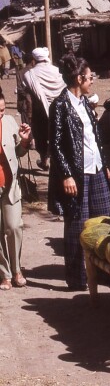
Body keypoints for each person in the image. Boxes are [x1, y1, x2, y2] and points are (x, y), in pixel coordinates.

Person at [48, 54, 110, 291]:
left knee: (104, 219)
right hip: (76, 174)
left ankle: (105, 271)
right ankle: (77, 278)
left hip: (95, 170)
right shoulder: (60, 106)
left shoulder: (85, 103)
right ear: (78, 78)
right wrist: (66, 174)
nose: (92, 80)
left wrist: (104, 164)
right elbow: (54, 145)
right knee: (77, 224)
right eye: (89, 77)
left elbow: (95, 139)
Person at [0, 93, 32, 290]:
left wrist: (25, 141)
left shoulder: (10, 122)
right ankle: (4, 273)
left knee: (13, 227)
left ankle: (17, 269)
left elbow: (19, 152)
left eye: (2, 110)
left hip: (10, 186)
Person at [22, 47, 66, 170]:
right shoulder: (58, 71)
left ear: (34, 59)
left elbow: (29, 95)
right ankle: (57, 162)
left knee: (41, 137)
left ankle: (44, 160)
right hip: (59, 111)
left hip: (39, 112)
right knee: (58, 136)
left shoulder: (29, 74)